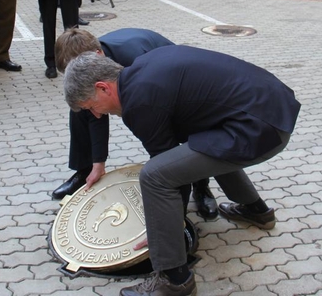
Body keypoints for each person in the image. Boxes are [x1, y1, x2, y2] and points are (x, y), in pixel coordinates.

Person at [63, 47, 300, 296]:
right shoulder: (140, 68)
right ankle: (257, 211)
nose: (97, 114)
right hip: (270, 107)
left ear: (103, 87)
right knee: (199, 149)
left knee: (154, 176)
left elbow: (169, 174)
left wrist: (164, 234)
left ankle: (174, 279)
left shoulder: (139, 102)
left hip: (262, 128)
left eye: (91, 106)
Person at [52, 28, 219, 220]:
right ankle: (85, 171)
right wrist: (98, 163)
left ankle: (201, 185)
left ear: (97, 56)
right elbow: (96, 116)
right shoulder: (90, 60)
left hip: (174, 87)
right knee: (82, 107)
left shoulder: (135, 60)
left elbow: (154, 125)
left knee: (181, 130)